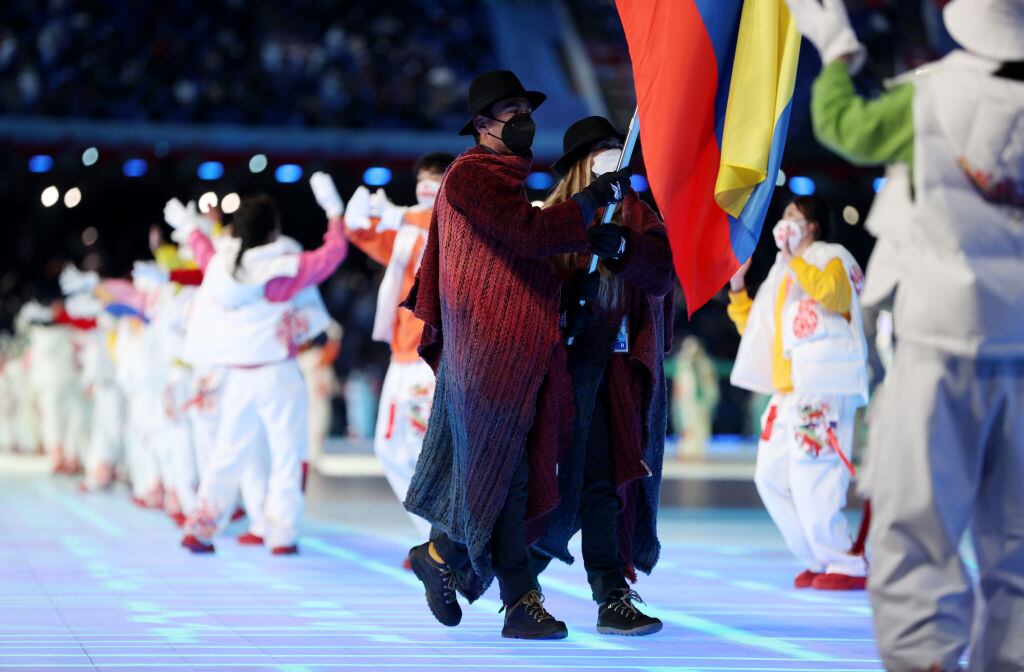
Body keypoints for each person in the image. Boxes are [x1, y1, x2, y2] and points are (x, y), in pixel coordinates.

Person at [785, 0, 1024, 668]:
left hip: (938, 341)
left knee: (916, 529)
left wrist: (837, 50)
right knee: (1018, 538)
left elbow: (843, 127)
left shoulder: (932, 96)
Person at [402, 70, 632, 640]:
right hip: (488, 349)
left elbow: (524, 244)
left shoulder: (501, 178)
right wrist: (589, 203)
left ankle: (449, 559)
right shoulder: (473, 174)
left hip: (516, 347)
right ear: (482, 125)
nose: (523, 120)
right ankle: (506, 593)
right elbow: (527, 236)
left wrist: (584, 239)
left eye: (525, 108)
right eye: (511, 111)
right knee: (504, 473)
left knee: (510, 474)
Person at [530, 116, 673, 636]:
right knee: (537, 481)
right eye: (602, 150)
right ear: (579, 167)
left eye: (618, 147)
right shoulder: (552, 217)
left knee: (602, 481)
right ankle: (510, 581)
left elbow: (660, 272)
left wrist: (624, 250)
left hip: (610, 374)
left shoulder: (638, 215)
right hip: (555, 372)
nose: (613, 154)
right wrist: (571, 293)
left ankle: (610, 591)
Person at [176, 179, 346, 554]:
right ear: (273, 230)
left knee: (226, 454)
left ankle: (201, 529)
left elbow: (204, 253)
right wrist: (334, 211)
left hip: (238, 377)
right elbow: (333, 254)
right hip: (279, 375)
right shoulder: (286, 265)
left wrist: (192, 230)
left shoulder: (222, 269)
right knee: (287, 454)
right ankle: (281, 534)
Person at [727, 195, 869, 591]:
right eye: (784, 216)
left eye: (794, 217)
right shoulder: (781, 272)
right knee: (769, 478)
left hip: (823, 385)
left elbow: (835, 297)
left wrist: (796, 259)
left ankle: (845, 560)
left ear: (813, 227)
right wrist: (738, 289)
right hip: (788, 393)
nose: (785, 223)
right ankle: (818, 556)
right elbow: (758, 334)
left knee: (815, 476)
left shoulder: (830, 256)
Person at [341, 152, 455, 538]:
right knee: (390, 448)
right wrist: (346, 214)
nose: (427, 184)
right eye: (422, 177)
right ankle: (434, 538)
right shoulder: (407, 231)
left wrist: (399, 215)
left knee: (430, 449)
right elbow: (364, 233)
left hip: (437, 354)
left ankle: (444, 544)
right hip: (402, 354)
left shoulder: (457, 226)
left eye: (436, 177)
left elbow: (441, 221)